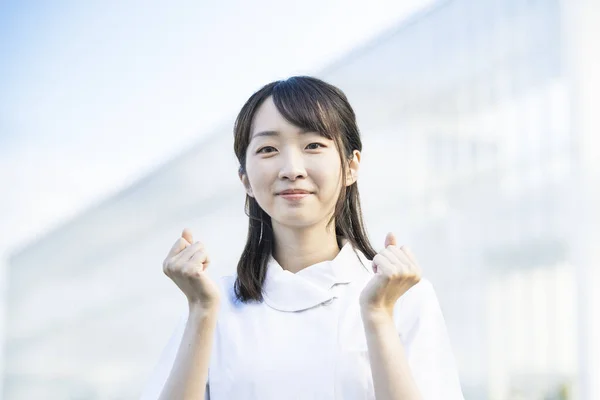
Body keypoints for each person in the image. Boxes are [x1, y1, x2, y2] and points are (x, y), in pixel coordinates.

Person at [139, 76, 464, 400]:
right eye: (268, 149)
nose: (291, 169)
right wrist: (201, 310)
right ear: (246, 180)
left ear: (351, 166)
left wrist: (378, 315)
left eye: (313, 146)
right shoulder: (212, 304)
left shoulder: (403, 296)